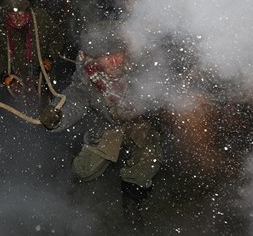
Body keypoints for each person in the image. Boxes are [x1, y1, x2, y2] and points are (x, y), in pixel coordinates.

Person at [38, 21, 163, 226]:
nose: (114, 62)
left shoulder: (143, 67)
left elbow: (163, 91)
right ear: (95, 58)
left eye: (117, 53)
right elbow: (72, 101)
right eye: (106, 56)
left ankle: (132, 197)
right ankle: (67, 174)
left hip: (139, 125)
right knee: (84, 171)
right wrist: (56, 118)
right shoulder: (87, 78)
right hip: (106, 127)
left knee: (149, 157)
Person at [0, 0, 62, 105]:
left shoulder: (40, 19)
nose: (17, 17)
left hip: (43, 75)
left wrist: (50, 57)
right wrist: (4, 74)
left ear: (26, 10)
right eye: (13, 14)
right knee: (20, 112)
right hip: (18, 79)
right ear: (7, 14)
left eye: (20, 12)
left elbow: (57, 37)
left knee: (48, 107)